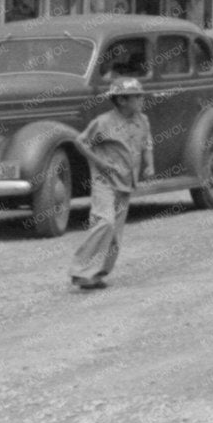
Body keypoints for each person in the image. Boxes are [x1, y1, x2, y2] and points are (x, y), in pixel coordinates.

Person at [69, 77, 153, 290]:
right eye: (137, 96)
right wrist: (100, 163)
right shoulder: (103, 122)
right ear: (122, 100)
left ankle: (97, 274)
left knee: (114, 233)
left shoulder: (142, 120)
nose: (141, 99)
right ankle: (81, 271)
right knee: (104, 222)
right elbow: (80, 142)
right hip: (104, 181)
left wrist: (148, 165)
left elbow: (147, 143)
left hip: (126, 182)